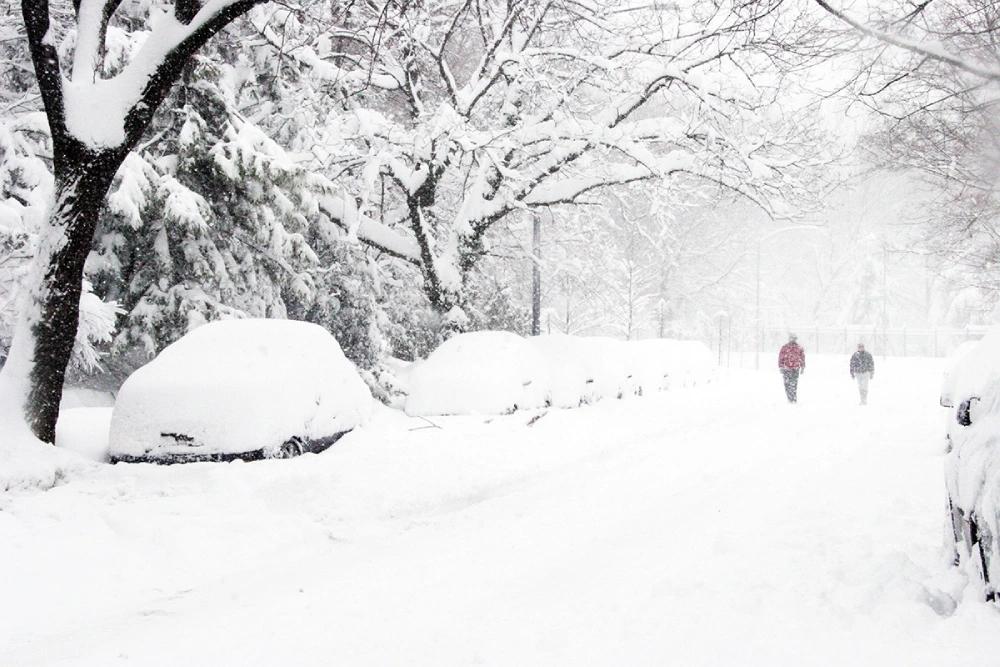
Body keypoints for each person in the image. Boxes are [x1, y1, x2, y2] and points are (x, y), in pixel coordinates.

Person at [778, 333, 806, 403]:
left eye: (794, 338)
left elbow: (802, 357)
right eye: (791, 338)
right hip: (786, 368)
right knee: (787, 384)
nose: (793, 339)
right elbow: (781, 357)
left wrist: (802, 367)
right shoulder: (785, 347)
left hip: (795, 369)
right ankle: (789, 398)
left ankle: (793, 398)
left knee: (794, 384)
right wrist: (781, 366)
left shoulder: (799, 348)